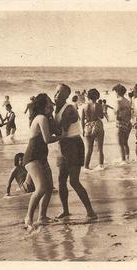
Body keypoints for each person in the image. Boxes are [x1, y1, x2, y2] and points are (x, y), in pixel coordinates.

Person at [54, 84, 97, 220]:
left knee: (73, 181)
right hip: (62, 145)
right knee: (61, 180)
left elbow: (67, 124)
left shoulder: (69, 109)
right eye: (55, 92)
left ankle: (90, 212)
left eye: (60, 93)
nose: (56, 95)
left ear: (67, 96)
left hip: (73, 145)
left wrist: (53, 125)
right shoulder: (56, 109)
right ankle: (65, 211)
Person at [23, 93, 60, 229]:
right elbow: (48, 139)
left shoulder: (46, 118)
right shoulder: (41, 118)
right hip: (32, 157)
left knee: (49, 188)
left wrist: (52, 114)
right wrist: (62, 137)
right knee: (41, 188)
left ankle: (42, 217)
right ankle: (28, 217)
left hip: (41, 157)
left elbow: (56, 129)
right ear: (44, 104)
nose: (52, 104)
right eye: (49, 102)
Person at [81, 88, 105, 171]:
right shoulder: (98, 105)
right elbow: (101, 116)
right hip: (97, 125)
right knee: (100, 148)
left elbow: (82, 119)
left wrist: (83, 130)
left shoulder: (84, 106)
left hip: (88, 126)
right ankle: (100, 166)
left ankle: (86, 167)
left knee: (89, 149)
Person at [113, 84, 132, 164]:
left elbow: (116, 111)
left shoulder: (118, 101)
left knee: (120, 143)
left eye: (115, 92)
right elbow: (130, 113)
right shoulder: (127, 101)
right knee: (125, 142)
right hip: (128, 123)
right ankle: (127, 157)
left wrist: (116, 116)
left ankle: (123, 160)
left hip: (121, 124)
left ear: (117, 92)